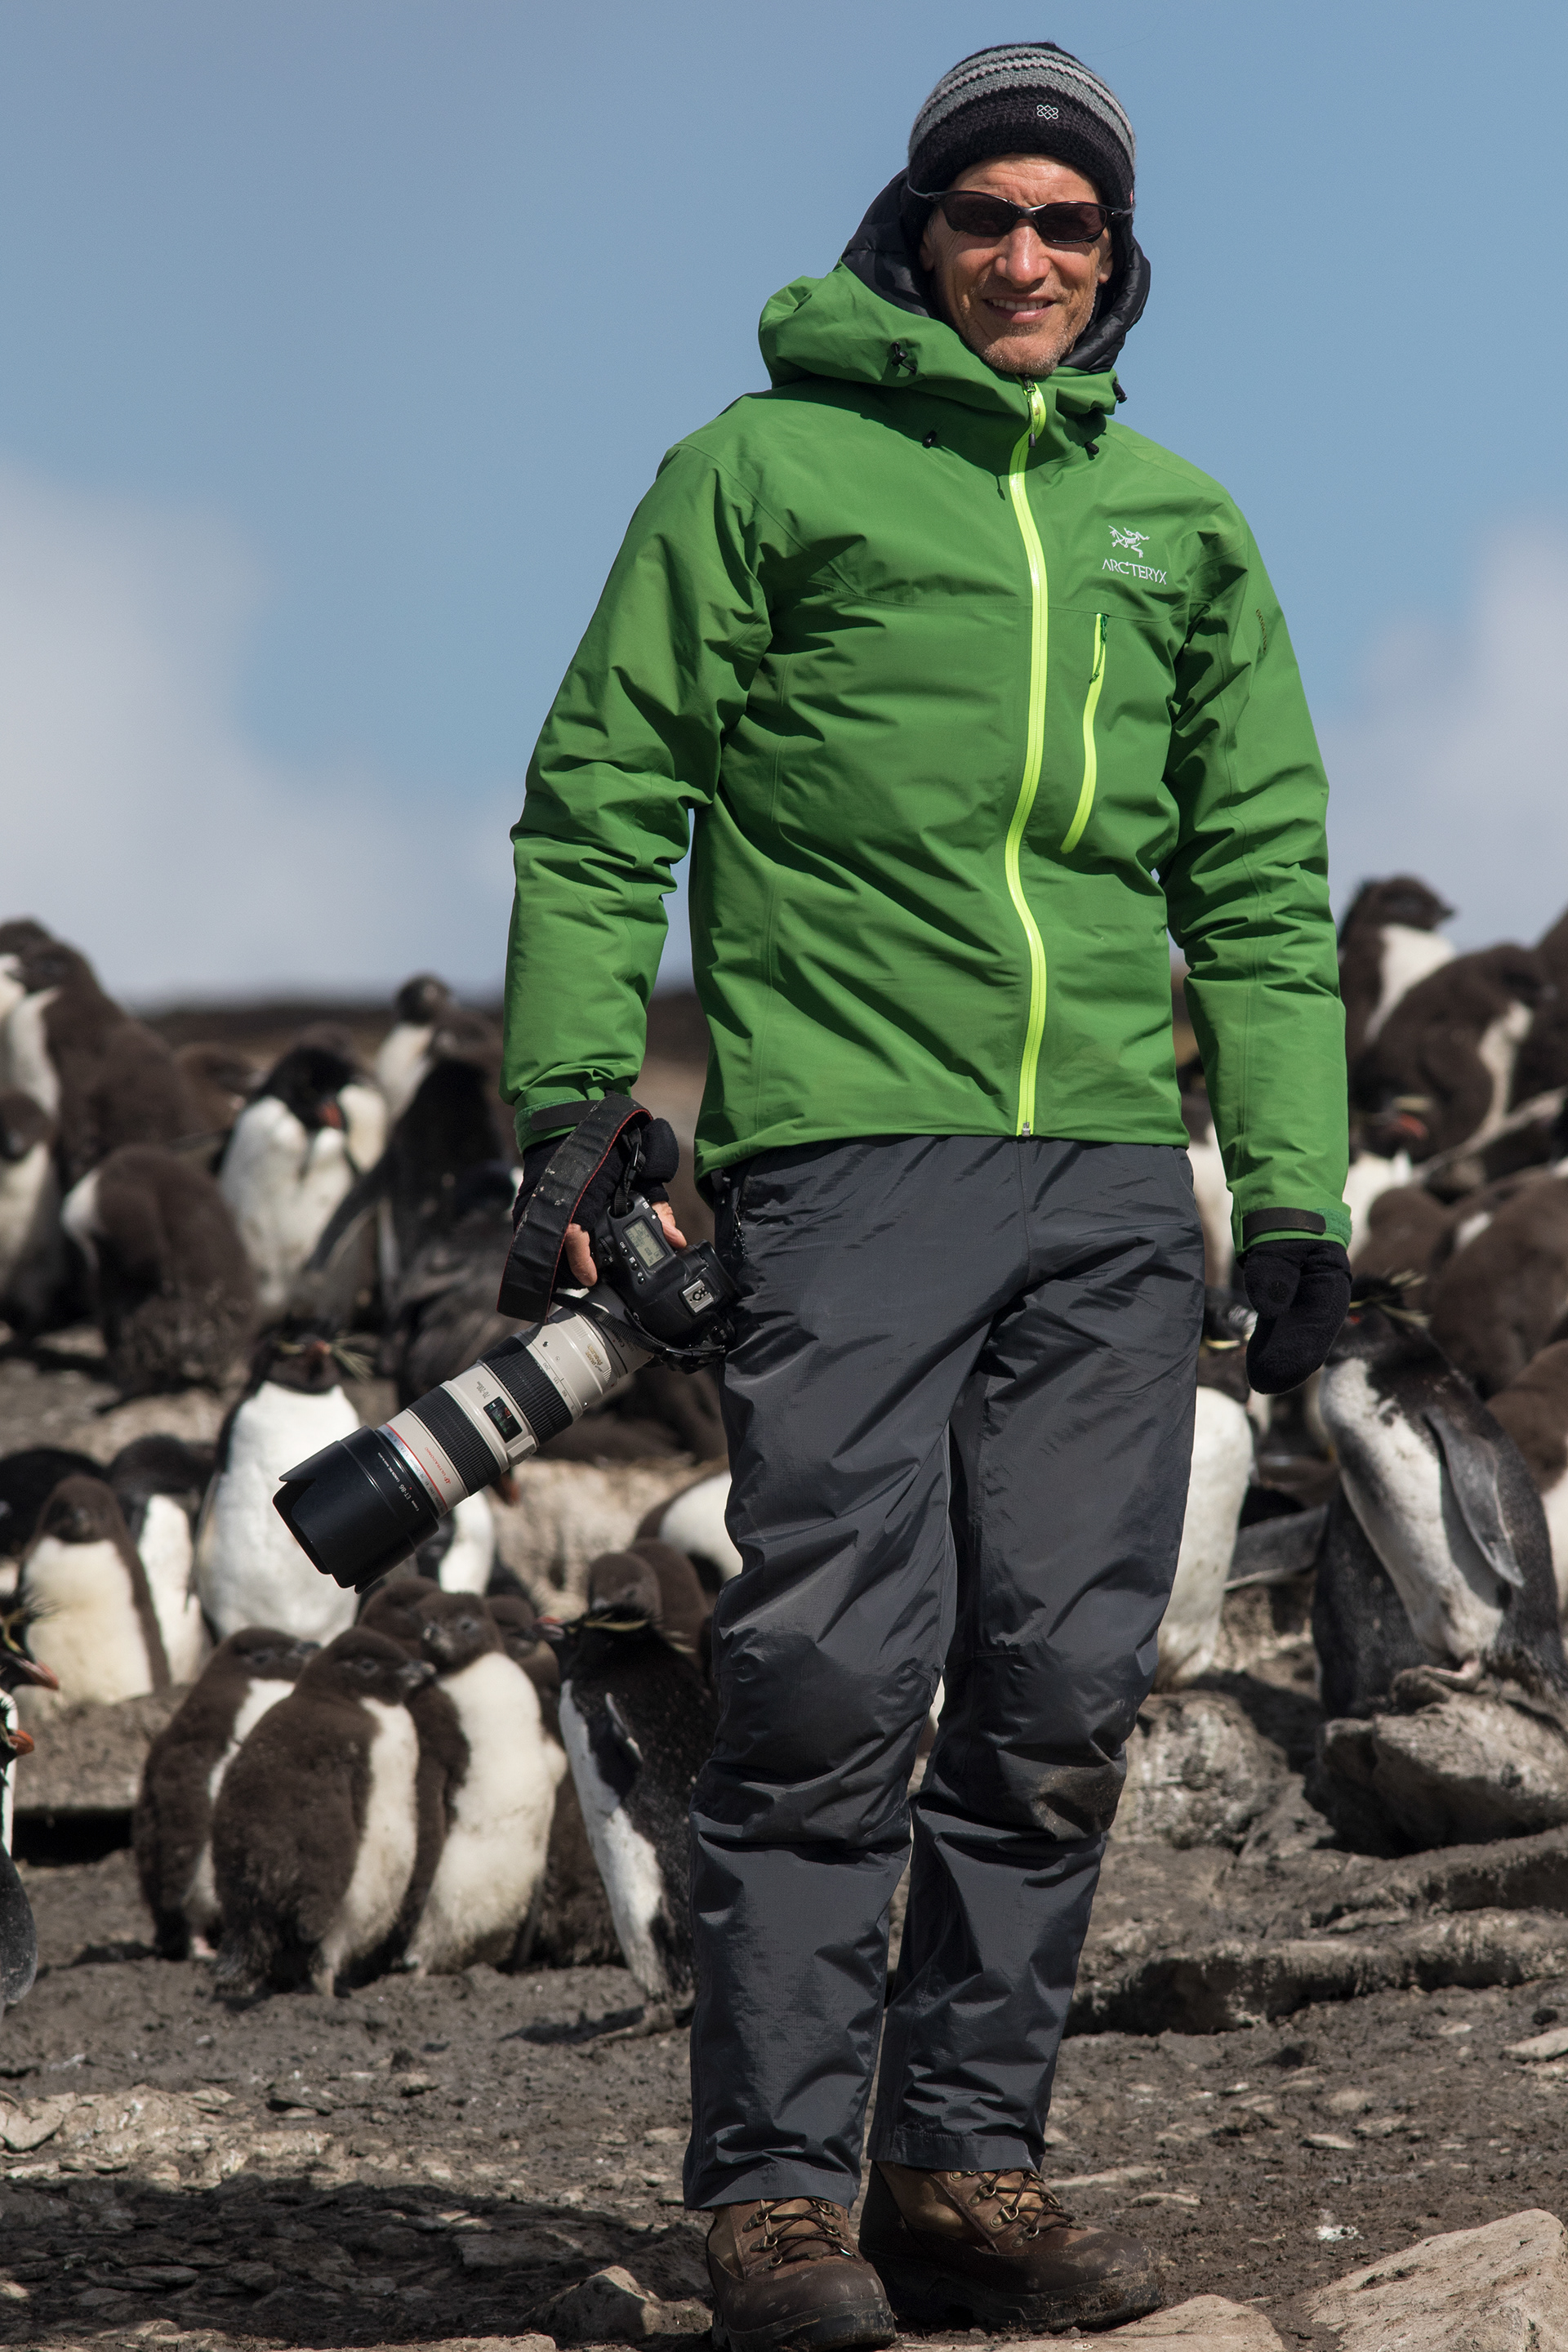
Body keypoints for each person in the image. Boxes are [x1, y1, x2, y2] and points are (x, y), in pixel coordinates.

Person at [503, 39, 1351, 2348]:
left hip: (1101, 1178)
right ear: (918, 230)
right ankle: (780, 2200)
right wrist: (579, 1100)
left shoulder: (1179, 522)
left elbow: (1266, 890)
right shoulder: (762, 470)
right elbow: (605, 797)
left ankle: (966, 2170)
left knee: (1069, 1680)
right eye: (988, 216)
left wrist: (1292, 1205)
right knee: (827, 1678)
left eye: (1070, 226)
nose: (1028, 257)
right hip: (854, 1156)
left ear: (1119, 256)